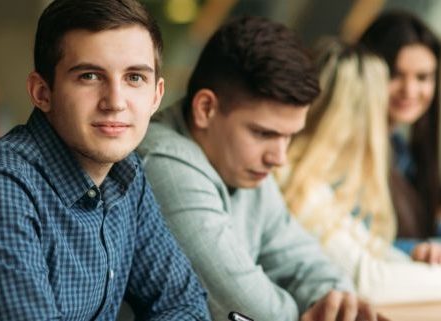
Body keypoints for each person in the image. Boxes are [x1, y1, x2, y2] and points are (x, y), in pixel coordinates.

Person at [0, 0, 211, 320]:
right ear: (42, 92)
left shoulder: (127, 173)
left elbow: (184, 301)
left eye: (135, 78)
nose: (115, 102)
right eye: (89, 76)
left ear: (156, 95)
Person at [138, 16, 380, 321]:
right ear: (205, 109)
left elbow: (307, 262)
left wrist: (331, 301)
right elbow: (254, 312)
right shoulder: (163, 164)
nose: (279, 158)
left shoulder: (242, 164)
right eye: (264, 133)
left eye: (289, 135)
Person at [277, 38, 441, 305]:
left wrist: (418, 256)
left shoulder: (319, 182)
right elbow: (371, 281)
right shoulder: (296, 184)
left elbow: (376, 253)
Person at [359, 11, 441, 254]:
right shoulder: (347, 151)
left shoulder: (402, 150)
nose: (410, 90)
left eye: (423, 77)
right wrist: (417, 250)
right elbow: (349, 244)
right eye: (395, 75)